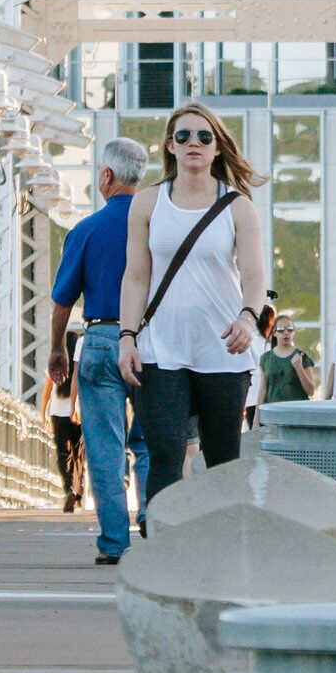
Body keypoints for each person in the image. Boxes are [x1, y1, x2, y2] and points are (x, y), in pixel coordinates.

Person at [116, 104, 270, 496]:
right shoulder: (148, 202)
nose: (194, 143)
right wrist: (127, 338)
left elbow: (254, 276)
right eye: (183, 136)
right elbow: (135, 276)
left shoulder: (238, 207)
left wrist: (248, 319)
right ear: (170, 146)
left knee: (222, 463)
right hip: (160, 349)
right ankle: (166, 548)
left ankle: (225, 551)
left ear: (218, 148)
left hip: (222, 349)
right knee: (165, 459)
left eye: (204, 137)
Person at [44, 137, 150, 562]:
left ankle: (114, 543)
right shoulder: (156, 227)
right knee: (150, 443)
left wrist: (56, 351)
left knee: (105, 447)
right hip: (149, 341)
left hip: (102, 339)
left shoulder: (85, 231)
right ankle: (154, 524)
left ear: (106, 176)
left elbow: (62, 301)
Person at [255, 309, 320, 436]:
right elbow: (263, 390)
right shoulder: (266, 358)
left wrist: (298, 367)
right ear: (274, 333)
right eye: (281, 330)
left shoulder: (302, 357)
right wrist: (256, 419)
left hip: (297, 416)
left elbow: (311, 391)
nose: (286, 333)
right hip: (274, 416)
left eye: (289, 329)